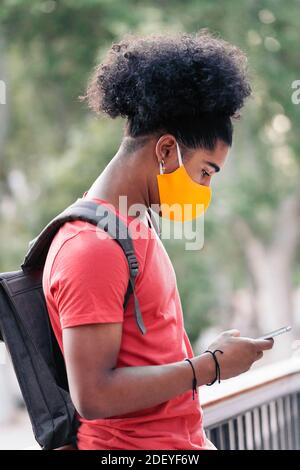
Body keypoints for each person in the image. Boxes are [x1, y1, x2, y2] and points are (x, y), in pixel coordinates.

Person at [42, 31, 273, 450]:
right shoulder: (90, 248)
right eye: (205, 171)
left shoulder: (134, 227)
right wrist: (211, 366)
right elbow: (93, 395)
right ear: (167, 150)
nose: (206, 188)